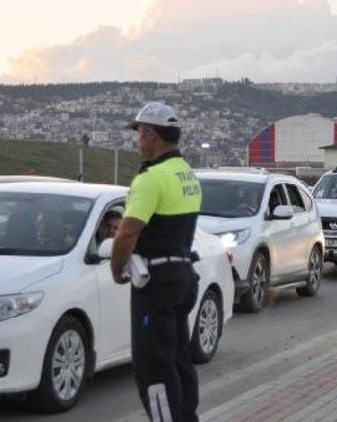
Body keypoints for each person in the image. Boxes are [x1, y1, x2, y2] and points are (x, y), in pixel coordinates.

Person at [111, 102, 202, 422]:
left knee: (153, 368)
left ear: (151, 135)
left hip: (156, 283)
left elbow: (127, 234)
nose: (136, 140)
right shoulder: (186, 173)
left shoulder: (151, 178)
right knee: (178, 360)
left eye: (138, 133)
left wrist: (116, 268)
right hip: (181, 275)